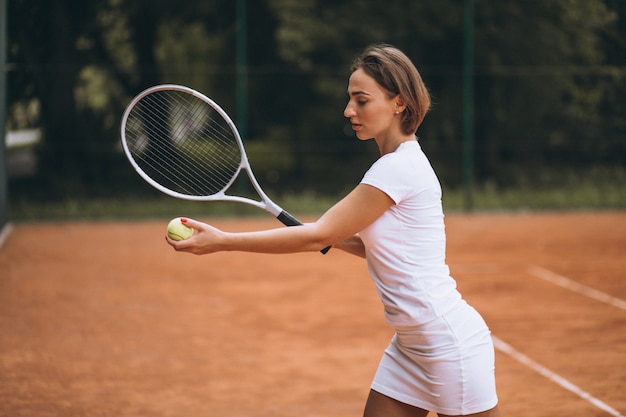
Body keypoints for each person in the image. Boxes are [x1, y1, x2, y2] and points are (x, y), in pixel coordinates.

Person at [166, 44, 501, 417]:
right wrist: (334, 237)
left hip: (445, 343)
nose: (349, 110)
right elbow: (377, 245)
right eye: (349, 99)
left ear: (399, 103)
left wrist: (224, 241)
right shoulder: (399, 163)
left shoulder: (396, 170)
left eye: (361, 100)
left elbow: (317, 236)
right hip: (412, 345)